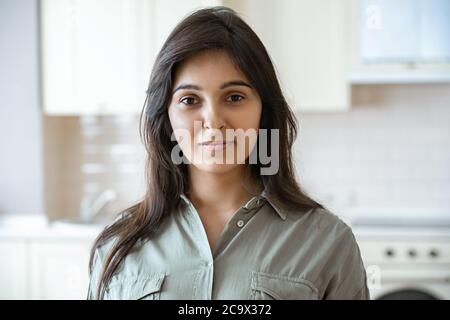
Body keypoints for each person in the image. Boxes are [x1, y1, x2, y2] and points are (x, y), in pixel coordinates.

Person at [87, 6, 369, 300]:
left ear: (264, 110)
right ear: (166, 116)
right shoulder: (118, 246)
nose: (214, 120)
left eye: (234, 97)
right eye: (190, 99)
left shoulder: (328, 242)